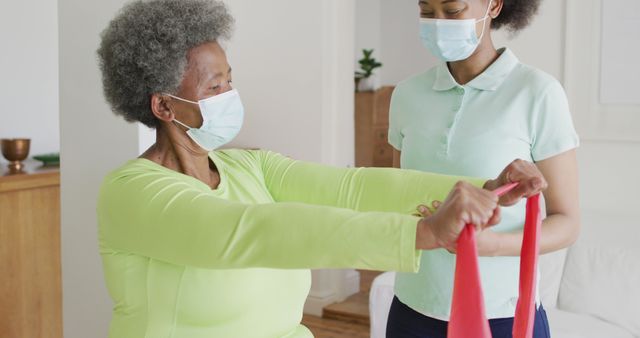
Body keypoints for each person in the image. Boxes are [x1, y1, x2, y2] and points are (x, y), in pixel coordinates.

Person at [95, 0, 547, 337]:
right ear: (164, 106)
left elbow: (351, 188)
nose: (231, 93)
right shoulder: (131, 192)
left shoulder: (248, 167)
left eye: (231, 79)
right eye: (215, 85)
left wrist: (477, 187)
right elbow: (252, 232)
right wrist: (421, 234)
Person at [386, 1, 581, 337]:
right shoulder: (406, 94)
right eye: (427, 11)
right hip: (412, 308)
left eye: (453, 10)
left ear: (493, 5)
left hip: (502, 314)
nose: (438, 23)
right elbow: (394, 195)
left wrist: (492, 246)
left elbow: (567, 222)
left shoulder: (537, 92)